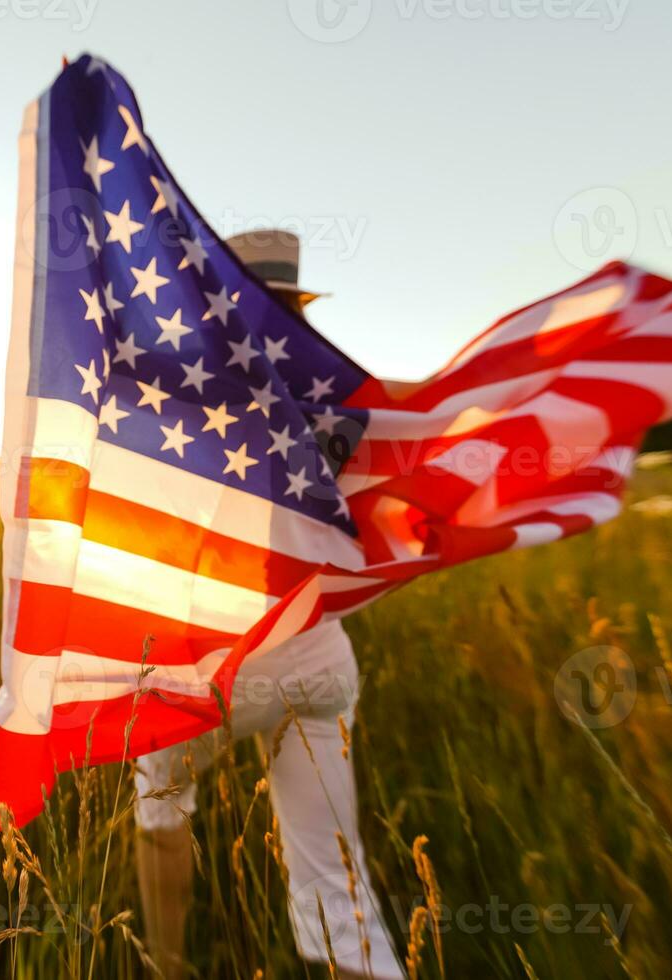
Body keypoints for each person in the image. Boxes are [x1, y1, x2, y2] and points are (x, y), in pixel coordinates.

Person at [133, 230, 404, 980]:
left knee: (161, 814)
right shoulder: (346, 400)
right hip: (318, 658)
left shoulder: (179, 396)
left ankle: (169, 962)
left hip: (206, 665)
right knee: (333, 883)